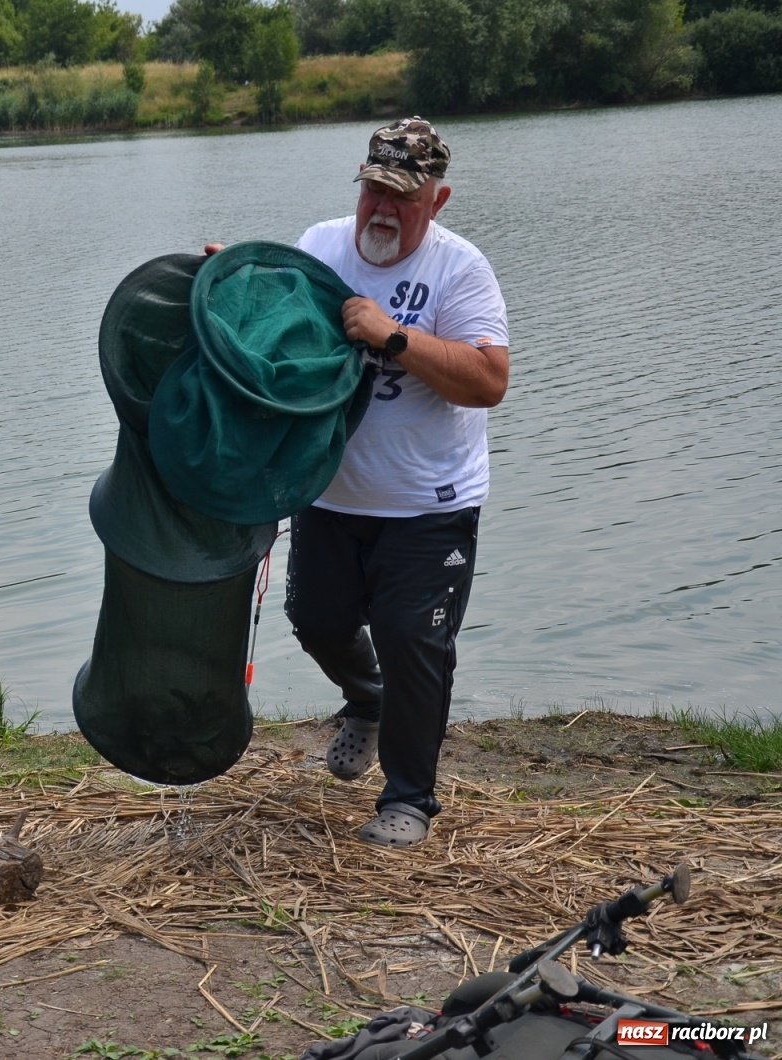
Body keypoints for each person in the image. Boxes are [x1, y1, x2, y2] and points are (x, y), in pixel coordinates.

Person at [214, 117, 509, 847]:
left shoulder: (460, 269)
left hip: (429, 503)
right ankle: (365, 696)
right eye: (374, 189)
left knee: (415, 642)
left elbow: (488, 381)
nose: (382, 208)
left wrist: (393, 337)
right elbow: (278, 319)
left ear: (436, 201)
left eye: (402, 196)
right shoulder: (320, 245)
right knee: (315, 619)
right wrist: (235, 281)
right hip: (328, 493)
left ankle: (408, 799)